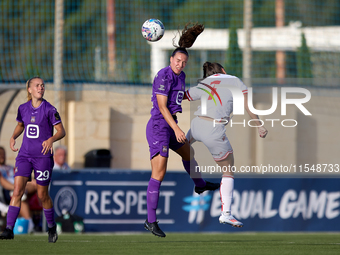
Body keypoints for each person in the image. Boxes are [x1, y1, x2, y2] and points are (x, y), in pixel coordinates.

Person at [144, 23, 220, 238]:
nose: (180, 65)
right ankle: (150, 221)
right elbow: (161, 106)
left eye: (183, 62)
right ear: (171, 60)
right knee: (159, 173)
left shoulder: (181, 77)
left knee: (189, 154)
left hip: (170, 125)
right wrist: (176, 128)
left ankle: (200, 185)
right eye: (177, 61)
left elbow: (180, 96)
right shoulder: (163, 75)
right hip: (160, 127)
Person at [185, 62, 268, 228]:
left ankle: (198, 182)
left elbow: (184, 96)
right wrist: (259, 124)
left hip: (196, 124)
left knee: (182, 149)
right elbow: (247, 105)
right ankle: (226, 214)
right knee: (228, 170)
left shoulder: (205, 83)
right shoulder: (234, 80)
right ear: (222, 70)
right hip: (213, 129)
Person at [0, 77, 66, 242]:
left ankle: (51, 228)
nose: (41, 87)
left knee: (43, 194)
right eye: (37, 85)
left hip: (43, 157)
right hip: (24, 156)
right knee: (17, 191)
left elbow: (61, 131)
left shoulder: (50, 109)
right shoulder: (23, 108)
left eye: (42, 85)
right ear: (29, 89)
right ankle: (9, 229)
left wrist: (51, 139)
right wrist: (13, 136)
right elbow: (21, 125)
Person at [0, 146, 36, 230]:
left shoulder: (10, 167)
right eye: (0, 154)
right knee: (20, 194)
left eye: (3, 154)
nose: (2, 156)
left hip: (19, 186)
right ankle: (30, 223)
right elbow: (3, 182)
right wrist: (17, 188)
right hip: (7, 192)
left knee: (37, 183)